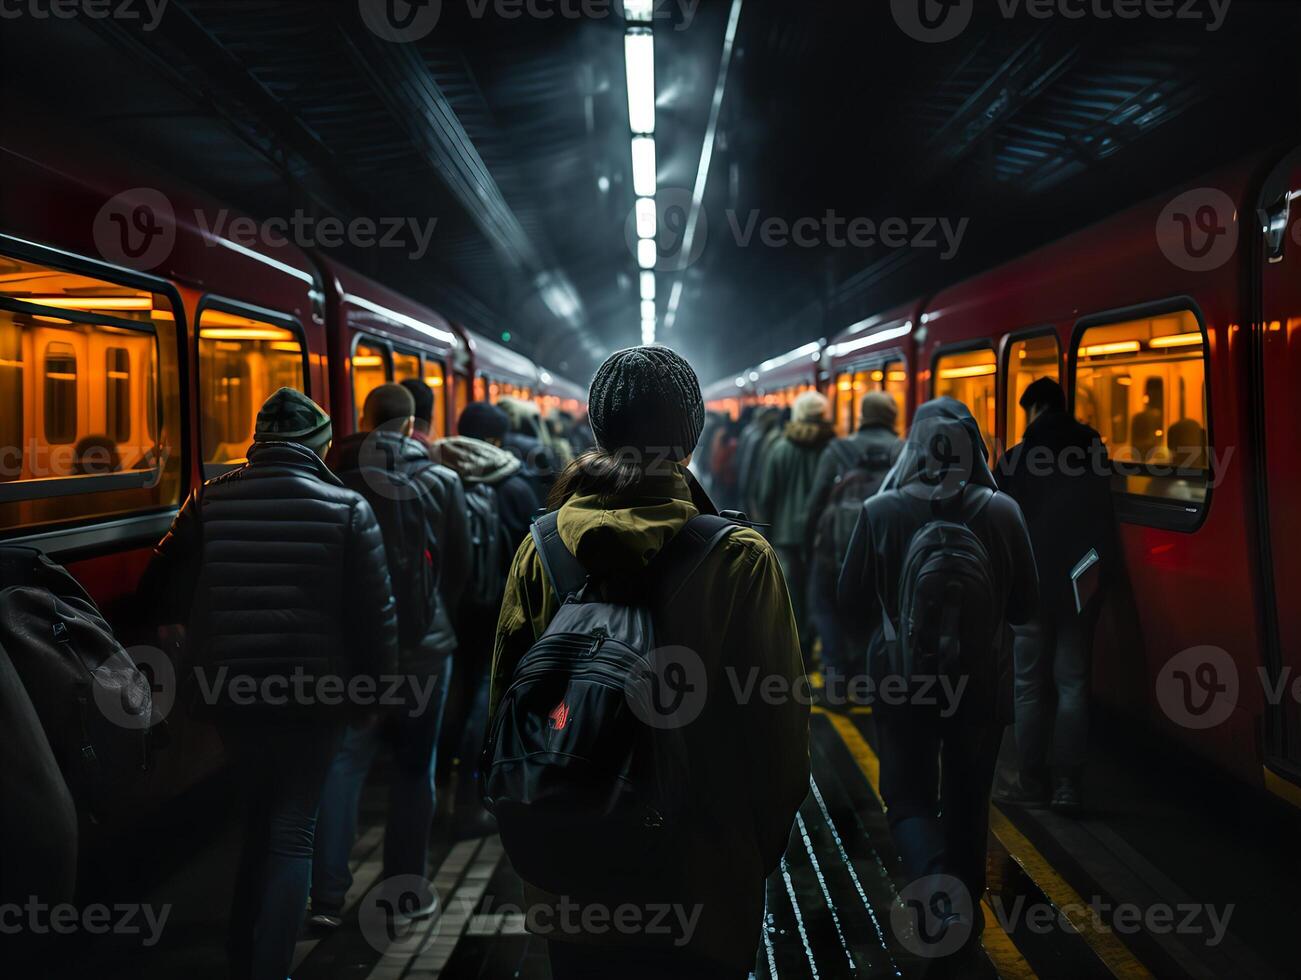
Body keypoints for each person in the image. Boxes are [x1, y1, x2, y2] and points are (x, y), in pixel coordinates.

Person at [490, 346, 809, 979]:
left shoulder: (543, 547)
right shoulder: (740, 558)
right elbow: (778, 730)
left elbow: (507, 705)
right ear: (693, 432)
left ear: (597, 428)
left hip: (574, 875)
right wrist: (749, 852)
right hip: (701, 879)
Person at [146, 387, 398, 980]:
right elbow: (375, 614)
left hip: (231, 693)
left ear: (257, 443)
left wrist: (182, 626)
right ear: (321, 444)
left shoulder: (210, 500)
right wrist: (374, 695)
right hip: (317, 697)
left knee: (254, 815)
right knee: (293, 829)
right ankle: (270, 968)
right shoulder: (347, 507)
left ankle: (240, 948)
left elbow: (158, 583)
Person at [838, 397, 1038, 967]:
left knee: (907, 800)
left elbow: (849, 602)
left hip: (902, 683)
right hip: (982, 685)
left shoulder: (879, 510)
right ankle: (965, 919)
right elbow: (1025, 608)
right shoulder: (1003, 511)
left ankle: (938, 893)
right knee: (970, 801)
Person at [310, 383, 471, 927]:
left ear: (362, 419)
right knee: (414, 769)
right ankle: (406, 891)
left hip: (353, 649)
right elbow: (458, 568)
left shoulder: (331, 478)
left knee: (345, 763)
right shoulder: (444, 481)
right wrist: (433, 621)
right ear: (410, 425)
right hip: (426, 651)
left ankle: (327, 895)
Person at [994, 378, 1115, 812]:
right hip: (1080, 585)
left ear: (1035, 409)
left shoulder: (1015, 461)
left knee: (1028, 685)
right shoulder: (1094, 455)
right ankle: (1068, 785)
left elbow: (1000, 524)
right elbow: (1105, 521)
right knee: (1073, 683)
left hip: (1030, 588)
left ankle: (1031, 781)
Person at [431, 402, 543, 822]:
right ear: (498, 439)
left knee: (448, 694)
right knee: (484, 693)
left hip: (443, 606)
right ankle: (471, 796)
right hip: (495, 605)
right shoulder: (514, 484)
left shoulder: (434, 475)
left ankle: (436, 786)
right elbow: (528, 551)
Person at [803, 391, 902, 680]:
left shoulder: (837, 450)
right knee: (873, 612)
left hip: (833, 548)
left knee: (825, 607)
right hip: (881, 551)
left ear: (862, 417)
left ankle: (835, 680)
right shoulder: (903, 451)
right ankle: (866, 677)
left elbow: (816, 501)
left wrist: (809, 543)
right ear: (891, 419)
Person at [757, 390, 836, 656]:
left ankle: (798, 648)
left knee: (792, 595)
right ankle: (819, 643)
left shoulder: (780, 448)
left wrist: (764, 533)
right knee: (821, 595)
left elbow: (766, 495)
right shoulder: (832, 449)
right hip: (821, 536)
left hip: (785, 535)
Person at [735, 406, 782, 519]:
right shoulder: (763, 438)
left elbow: (746, 467)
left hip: (754, 493)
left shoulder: (753, 434)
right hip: (758, 495)